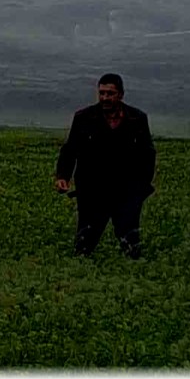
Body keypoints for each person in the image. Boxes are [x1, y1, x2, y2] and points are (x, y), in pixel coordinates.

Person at [55, 73, 157, 259]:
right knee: (85, 240)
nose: (105, 98)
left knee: (130, 238)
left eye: (110, 93)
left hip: (126, 190)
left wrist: (141, 186)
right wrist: (63, 176)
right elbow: (70, 149)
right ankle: (80, 272)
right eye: (102, 93)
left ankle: (133, 272)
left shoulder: (137, 119)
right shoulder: (84, 117)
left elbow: (147, 154)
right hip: (92, 189)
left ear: (121, 95)